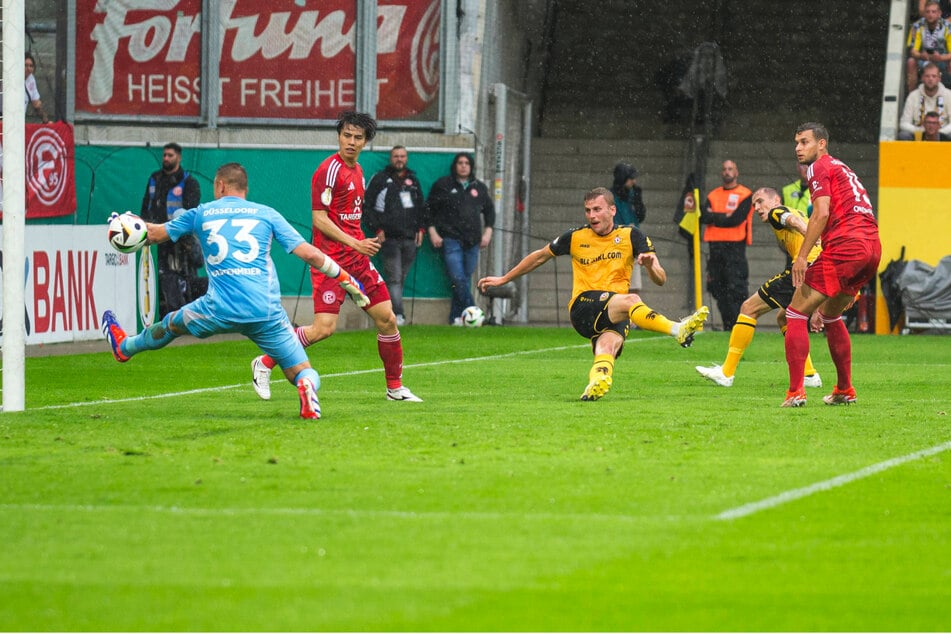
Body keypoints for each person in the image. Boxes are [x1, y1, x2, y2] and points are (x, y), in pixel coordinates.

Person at [101, 163, 371, 420]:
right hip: (266, 313)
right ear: (245, 190)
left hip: (217, 309)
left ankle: (125, 347)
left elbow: (154, 234)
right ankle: (308, 390)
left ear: (219, 186)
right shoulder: (267, 214)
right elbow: (310, 254)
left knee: (172, 323)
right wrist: (345, 277)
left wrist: (127, 226)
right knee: (302, 371)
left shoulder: (202, 212)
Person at [250, 111, 422, 403]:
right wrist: (356, 243)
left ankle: (395, 389)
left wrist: (360, 244)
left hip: (356, 261)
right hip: (330, 263)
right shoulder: (328, 170)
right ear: (339, 136)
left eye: (358, 137)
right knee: (323, 329)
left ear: (366, 141)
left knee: (388, 319)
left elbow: (349, 218)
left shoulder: (358, 171)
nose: (351, 142)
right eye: (346, 136)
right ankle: (265, 362)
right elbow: (319, 219)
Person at [477, 187, 709, 402]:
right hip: (583, 307)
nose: (591, 215)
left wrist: (649, 265)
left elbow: (661, 278)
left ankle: (596, 382)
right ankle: (677, 329)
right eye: (588, 210)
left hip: (616, 311)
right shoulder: (576, 237)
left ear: (612, 210)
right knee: (633, 300)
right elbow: (539, 256)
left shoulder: (632, 236)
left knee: (607, 348)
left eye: (597, 209)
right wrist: (504, 278)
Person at [781, 122, 881, 408]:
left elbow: (821, 213)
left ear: (821, 144)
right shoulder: (843, 168)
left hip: (846, 245)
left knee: (796, 313)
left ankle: (796, 392)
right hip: (871, 247)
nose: (798, 148)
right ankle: (844, 389)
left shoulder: (819, 167)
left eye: (804, 142)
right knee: (830, 316)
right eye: (796, 142)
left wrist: (801, 256)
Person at [696, 187, 823, 388]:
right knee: (784, 316)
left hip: (801, 270)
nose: (756, 208)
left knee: (748, 308)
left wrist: (809, 233)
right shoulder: (794, 210)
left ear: (776, 200)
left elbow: (794, 222)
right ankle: (809, 375)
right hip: (816, 269)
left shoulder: (776, 212)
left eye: (760, 201)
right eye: (754, 204)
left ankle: (726, 373)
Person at [426, 152, 495, 325]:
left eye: (466, 163)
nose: (463, 166)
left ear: (471, 166)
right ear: (455, 165)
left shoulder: (478, 187)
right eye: (460, 162)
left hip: (473, 241)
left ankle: (456, 318)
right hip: (451, 239)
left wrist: (488, 232)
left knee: (463, 279)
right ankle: (476, 313)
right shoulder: (443, 185)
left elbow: (490, 211)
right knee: (457, 277)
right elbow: (428, 209)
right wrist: (432, 231)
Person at [363, 145, 427, 326]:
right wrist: (377, 229)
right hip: (389, 239)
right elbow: (367, 206)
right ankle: (397, 315)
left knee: (401, 277)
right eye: (396, 156)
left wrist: (421, 229)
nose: (400, 159)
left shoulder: (413, 180)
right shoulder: (380, 179)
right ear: (391, 158)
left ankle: (392, 311)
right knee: (394, 278)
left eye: (403, 156)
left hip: (410, 239)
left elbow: (422, 207)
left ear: (407, 158)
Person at [140, 142, 204, 317]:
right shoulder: (155, 179)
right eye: (164, 155)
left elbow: (190, 212)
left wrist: (180, 235)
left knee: (180, 275)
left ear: (179, 157)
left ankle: (184, 310)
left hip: (178, 240)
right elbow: (146, 206)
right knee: (157, 275)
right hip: (155, 236)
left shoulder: (189, 182)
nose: (166, 158)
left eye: (170, 155)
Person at [700, 160, 753, 331]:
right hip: (715, 249)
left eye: (730, 169)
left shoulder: (745, 194)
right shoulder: (713, 195)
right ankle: (727, 327)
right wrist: (725, 216)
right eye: (724, 169)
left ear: (736, 172)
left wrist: (715, 216)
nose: (727, 172)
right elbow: (704, 217)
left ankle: (739, 326)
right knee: (717, 288)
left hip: (735, 249)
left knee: (736, 289)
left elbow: (736, 219)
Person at [610, 162, 647, 292]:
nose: (634, 181)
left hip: (632, 241)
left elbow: (640, 216)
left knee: (634, 286)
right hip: (615, 243)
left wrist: (638, 203)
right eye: (630, 178)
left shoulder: (634, 193)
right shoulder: (610, 196)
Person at [906, 1, 951, 93]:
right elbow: (913, 51)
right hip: (924, 58)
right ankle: (912, 95)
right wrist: (921, 55)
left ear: (939, 13)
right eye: (928, 12)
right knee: (911, 62)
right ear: (924, 13)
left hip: (942, 58)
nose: (930, 15)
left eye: (933, 12)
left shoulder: (948, 27)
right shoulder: (917, 26)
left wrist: (941, 57)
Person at [898, 63, 951, 139]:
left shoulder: (949, 95)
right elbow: (903, 123)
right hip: (919, 134)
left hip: (941, 134)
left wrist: (938, 132)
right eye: (927, 76)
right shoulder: (913, 96)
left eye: (934, 76)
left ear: (939, 78)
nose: (930, 79)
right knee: (904, 135)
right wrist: (921, 131)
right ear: (922, 78)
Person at [24, 53, 50, 123]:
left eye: (31, 66)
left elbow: (36, 104)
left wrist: (46, 121)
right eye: (25, 65)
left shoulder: (31, 78)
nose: (28, 68)